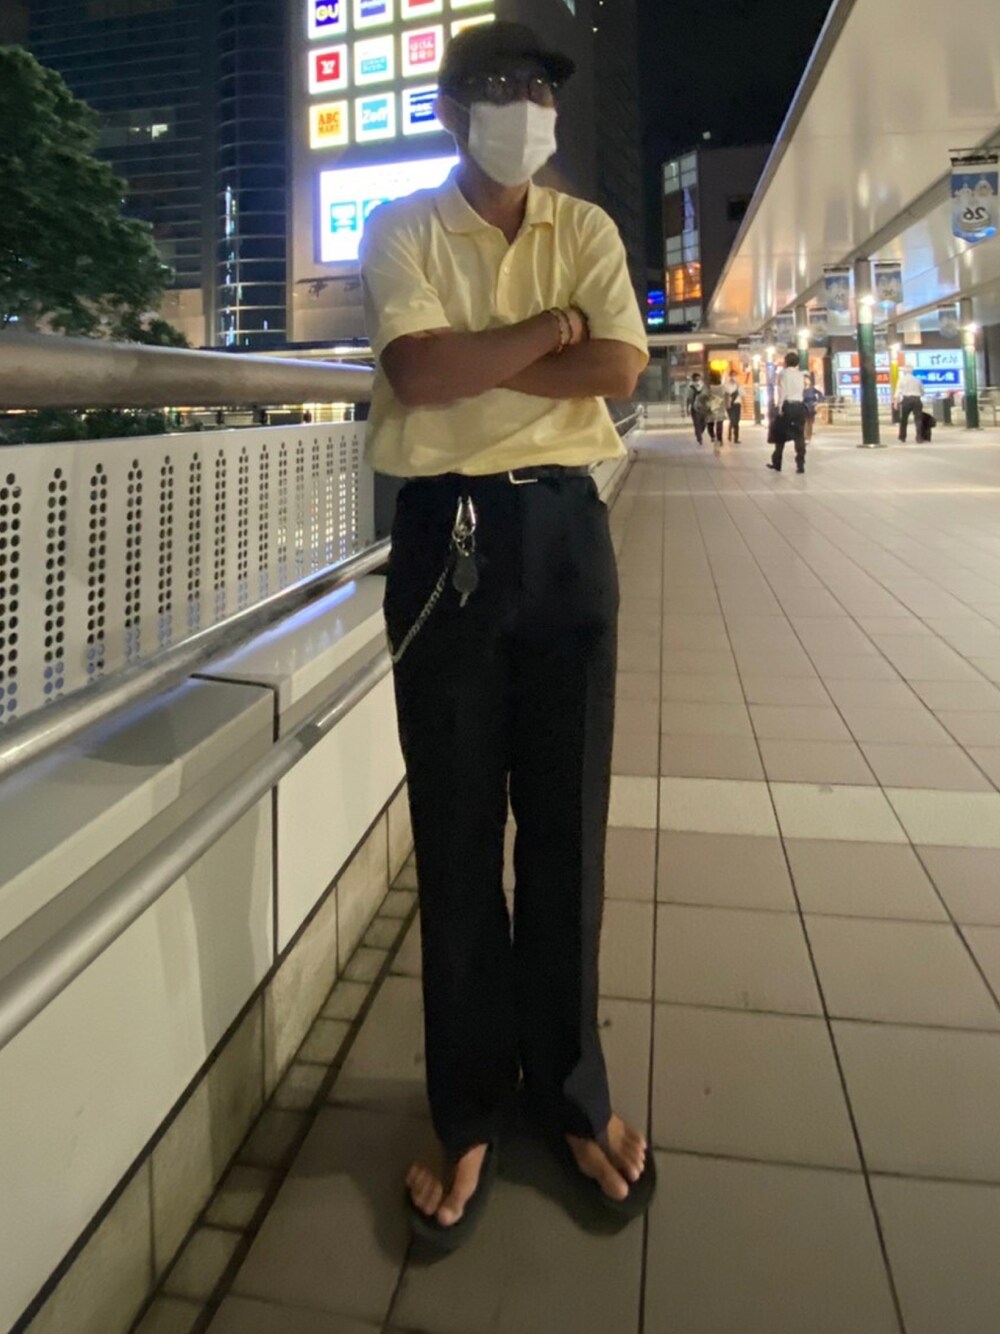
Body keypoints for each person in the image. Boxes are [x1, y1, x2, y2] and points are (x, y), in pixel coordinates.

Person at [359, 21, 655, 1254]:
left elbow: (623, 366)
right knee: (458, 836)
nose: (522, 106)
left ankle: (571, 1093)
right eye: (495, 87)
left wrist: (494, 351)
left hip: (567, 534)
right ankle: (470, 1108)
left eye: (537, 89)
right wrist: (547, 336)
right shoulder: (401, 227)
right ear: (449, 110)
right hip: (448, 542)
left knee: (568, 829)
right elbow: (420, 376)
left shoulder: (583, 228)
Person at [768, 350, 807, 474]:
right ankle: (800, 464)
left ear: (785, 362)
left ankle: (777, 463)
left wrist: (779, 408)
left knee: (780, 435)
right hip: (799, 406)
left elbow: (782, 391)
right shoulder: (801, 374)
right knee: (799, 435)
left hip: (788, 405)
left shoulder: (783, 373)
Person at [696, 369, 727, 451]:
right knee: (719, 423)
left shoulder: (708, 387)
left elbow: (702, 396)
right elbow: (726, 395)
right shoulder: (722, 387)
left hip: (710, 407)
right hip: (720, 406)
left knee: (710, 424)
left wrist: (700, 403)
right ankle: (719, 439)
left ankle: (713, 436)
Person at [896, 366, 924, 442]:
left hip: (906, 400)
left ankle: (902, 437)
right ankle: (919, 437)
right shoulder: (917, 380)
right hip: (917, 400)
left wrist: (896, 402)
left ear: (904, 372)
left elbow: (898, 391)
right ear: (912, 371)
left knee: (904, 419)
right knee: (918, 419)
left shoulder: (901, 380)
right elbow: (922, 392)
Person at [803, 374, 824, 442]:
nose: (805, 381)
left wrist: (817, 402)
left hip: (811, 408)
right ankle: (804, 436)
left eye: (807, 379)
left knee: (810, 423)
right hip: (803, 407)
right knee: (804, 422)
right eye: (804, 379)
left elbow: (821, 395)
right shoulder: (801, 389)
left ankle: (808, 437)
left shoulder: (812, 389)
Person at [724, 370, 742, 443]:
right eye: (732, 375)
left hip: (737, 404)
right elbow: (725, 395)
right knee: (732, 420)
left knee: (736, 421)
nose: (733, 377)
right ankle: (730, 435)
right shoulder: (726, 385)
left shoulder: (739, 385)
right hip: (730, 404)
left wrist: (738, 385)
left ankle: (736, 438)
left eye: (735, 375)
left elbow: (743, 393)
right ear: (729, 376)